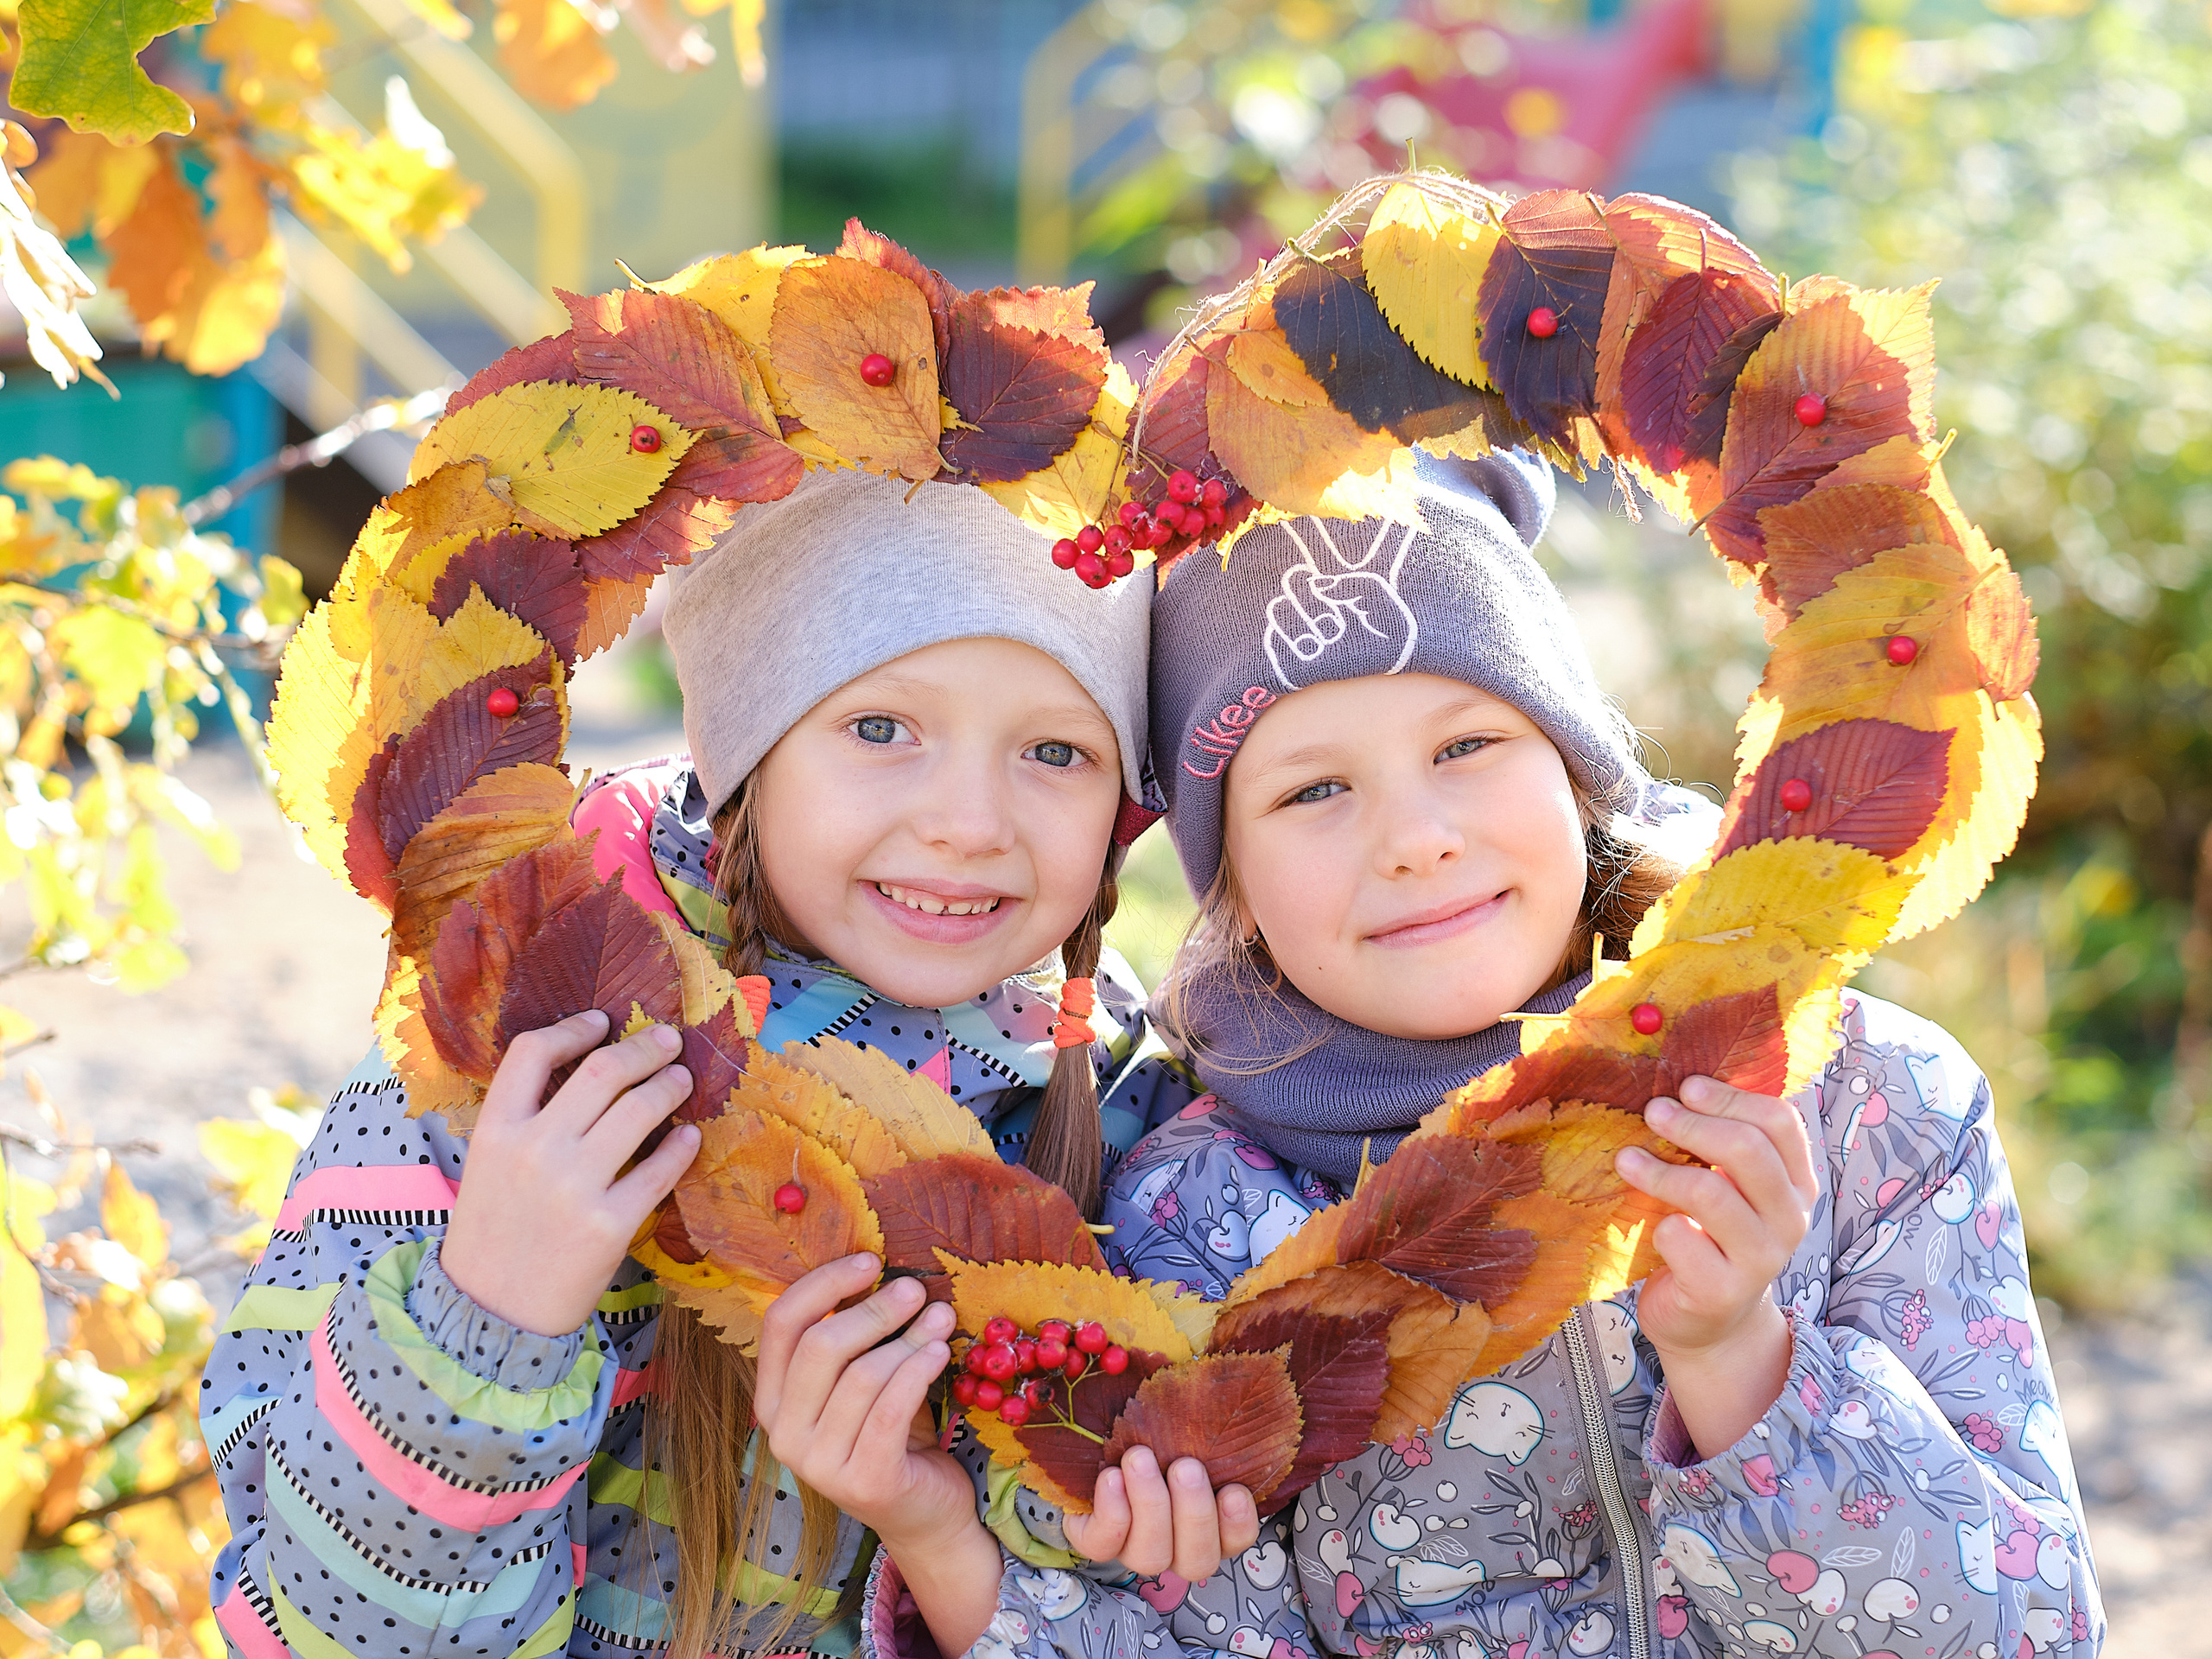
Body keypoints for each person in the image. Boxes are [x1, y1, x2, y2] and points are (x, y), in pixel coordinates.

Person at [856, 454, 2104, 1659]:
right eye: (1311, 790)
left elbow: (2026, 1633)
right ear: (1228, 880)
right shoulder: (1194, 1232)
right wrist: (936, 1530)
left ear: (1577, 768)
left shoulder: (1863, 1102)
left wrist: (1741, 1360)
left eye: (1466, 747)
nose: (1414, 839)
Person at [201, 469, 1257, 1659]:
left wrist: (981, 1533)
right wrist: (489, 1316)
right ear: (747, 751)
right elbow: (321, 1626)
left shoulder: (1144, 1132)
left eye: (1057, 750)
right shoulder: (529, 1057)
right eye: (880, 728)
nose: (970, 820)